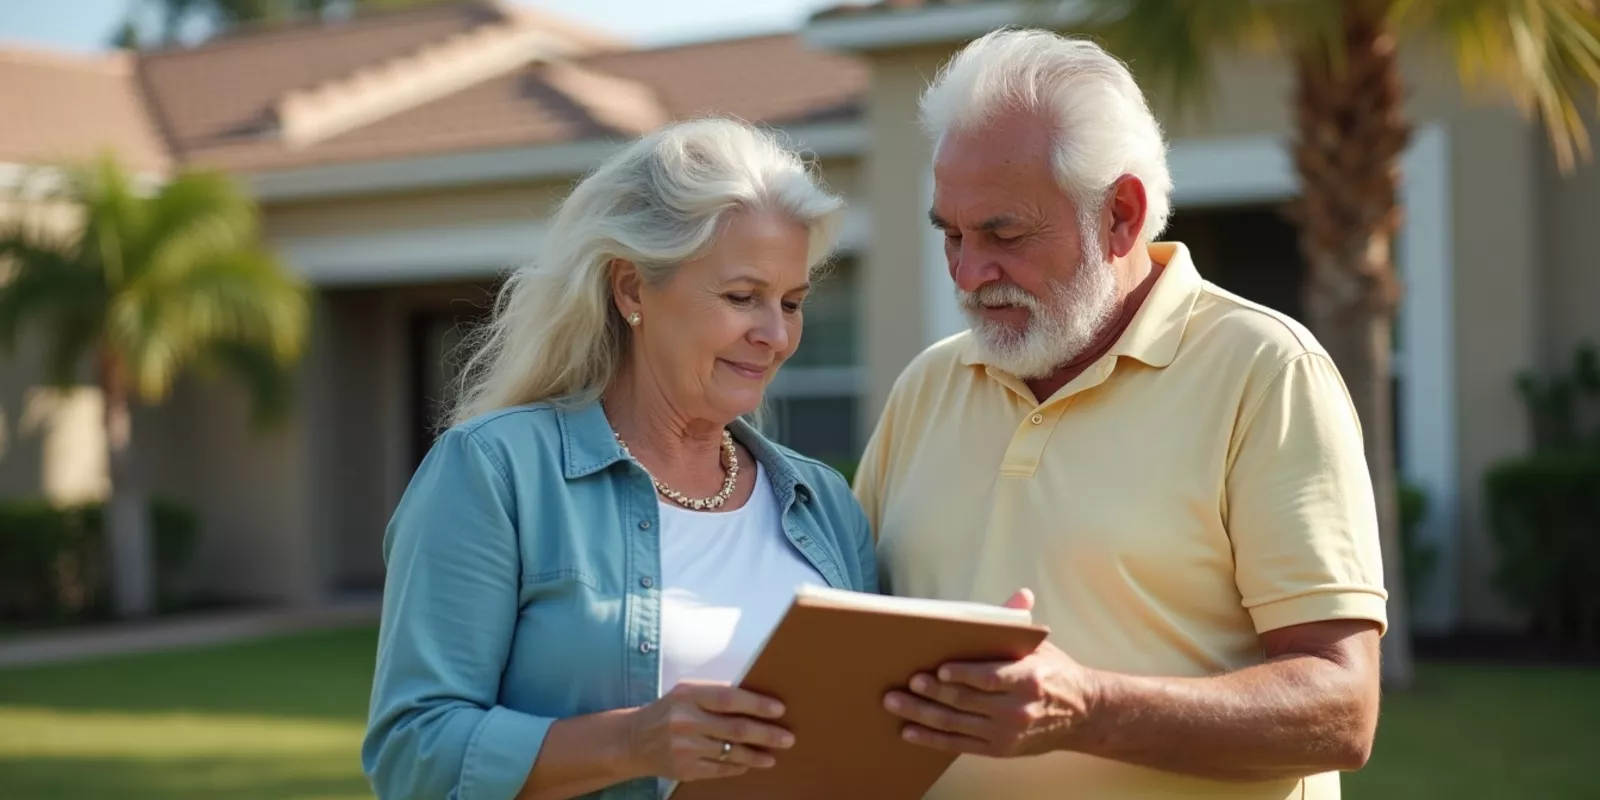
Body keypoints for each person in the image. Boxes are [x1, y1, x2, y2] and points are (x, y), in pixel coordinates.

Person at [854, 29, 1388, 800]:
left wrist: (1089, 709)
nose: (969, 274)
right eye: (952, 235)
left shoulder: (1264, 371)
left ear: (1122, 216)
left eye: (1004, 233)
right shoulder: (928, 384)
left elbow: (1342, 709)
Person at [362, 118, 878, 800]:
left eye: (792, 302)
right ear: (632, 289)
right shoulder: (495, 472)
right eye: (741, 297)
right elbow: (412, 752)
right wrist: (634, 742)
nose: (776, 335)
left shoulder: (824, 502)